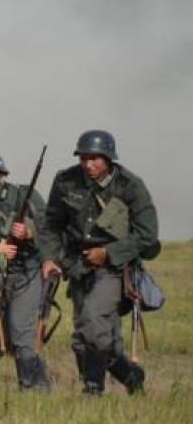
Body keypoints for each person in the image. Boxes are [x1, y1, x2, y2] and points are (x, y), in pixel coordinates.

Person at [40, 130, 158, 396]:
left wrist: (108, 252)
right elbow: (51, 226)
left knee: (93, 321)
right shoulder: (65, 181)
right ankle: (131, 378)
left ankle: (93, 391)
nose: (88, 164)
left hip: (114, 269)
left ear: (108, 158)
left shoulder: (130, 185)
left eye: (95, 158)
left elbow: (148, 235)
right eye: (83, 158)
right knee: (87, 338)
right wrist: (49, 258)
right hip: (77, 267)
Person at [0, 152, 51, 391]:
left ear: (2, 176)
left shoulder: (25, 196)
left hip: (25, 270)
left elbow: (50, 227)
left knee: (21, 329)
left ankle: (35, 385)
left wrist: (28, 231)